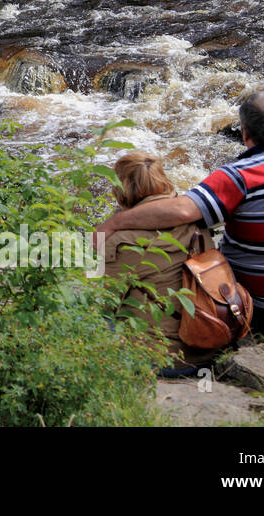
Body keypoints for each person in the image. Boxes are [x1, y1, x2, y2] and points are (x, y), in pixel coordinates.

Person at [98, 91, 264, 331]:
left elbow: (183, 211)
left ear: (245, 133)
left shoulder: (240, 175)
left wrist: (115, 223)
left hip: (260, 309)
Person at [104, 151, 213, 367]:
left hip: (161, 357)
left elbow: (98, 303)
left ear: (120, 189)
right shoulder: (196, 223)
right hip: (208, 347)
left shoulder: (119, 240)